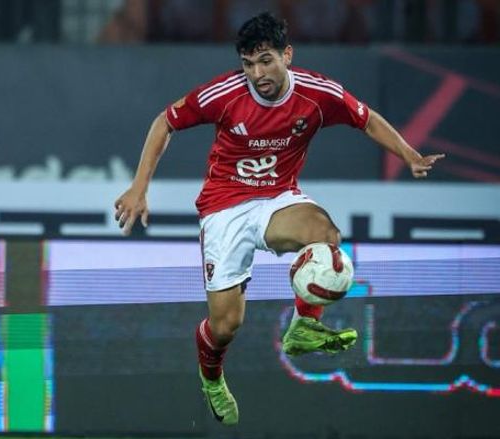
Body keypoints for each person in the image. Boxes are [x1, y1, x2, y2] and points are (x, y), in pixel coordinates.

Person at [114, 12, 444, 426]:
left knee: (326, 235)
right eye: (248, 64)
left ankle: (304, 326)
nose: (257, 74)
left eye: (266, 60)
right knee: (226, 325)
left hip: (277, 198)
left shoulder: (317, 94)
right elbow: (165, 122)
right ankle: (212, 378)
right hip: (224, 208)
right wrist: (139, 187)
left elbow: (366, 119)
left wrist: (409, 155)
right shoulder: (225, 94)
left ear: (287, 55)